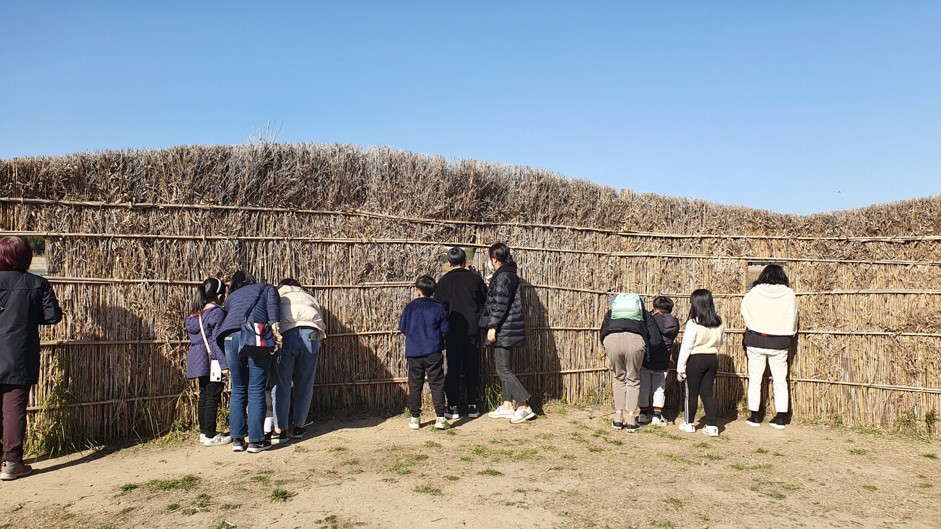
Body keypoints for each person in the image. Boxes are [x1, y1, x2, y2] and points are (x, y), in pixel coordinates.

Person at [0, 236, 62, 480]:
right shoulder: (37, 284)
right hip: (19, 352)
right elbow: (52, 317)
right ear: (25, 257)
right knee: (14, 409)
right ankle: (12, 462)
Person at [214, 270, 281, 453]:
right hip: (254, 337)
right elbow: (274, 316)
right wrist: (277, 334)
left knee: (238, 388)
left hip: (229, 338)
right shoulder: (267, 289)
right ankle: (256, 441)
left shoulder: (231, 297)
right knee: (256, 388)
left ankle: (237, 439)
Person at [479, 243, 534, 424]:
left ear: (494, 259)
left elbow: (499, 304)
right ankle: (507, 405)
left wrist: (492, 326)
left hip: (504, 328)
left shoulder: (503, 277)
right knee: (505, 368)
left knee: (503, 369)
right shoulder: (509, 274)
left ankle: (524, 405)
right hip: (508, 327)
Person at [741, 264, 798, 430]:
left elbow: (744, 310)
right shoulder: (788, 294)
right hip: (779, 342)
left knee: (755, 379)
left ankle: (755, 415)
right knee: (780, 380)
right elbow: (792, 316)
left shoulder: (755, 292)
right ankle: (781, 417)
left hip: (756, 340)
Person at [271, 278, 327, 442]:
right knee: (305, 382)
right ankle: (299, 427)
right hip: (311, 334)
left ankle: (280, 429)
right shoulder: (308, 296)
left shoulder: (278, 296)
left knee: (281, 383)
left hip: (286, 334)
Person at [433, 247, 487, 420]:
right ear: (465, 262)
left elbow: (439, 309)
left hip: (452, 332)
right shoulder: (475, 280)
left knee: (453, 369)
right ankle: (472, 405)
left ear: (449, 263)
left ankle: (453, 406)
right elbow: (484, 301)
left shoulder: (443, 282)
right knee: (472, 367)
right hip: (472, 330)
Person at [599, 293, 663, 432]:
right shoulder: (644, 314)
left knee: (618, 378)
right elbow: (655, 339)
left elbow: (603, 329)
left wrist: (607, 344)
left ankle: (618, 418)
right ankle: (631, 420)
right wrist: (647, 352)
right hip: (634, 341)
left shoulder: (612, 313)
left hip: (611, 339)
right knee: (633, 379)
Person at [399, 275, 450, 430]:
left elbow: (402, 327)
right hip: (433, 351)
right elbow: (446, 329)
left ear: (418, 292)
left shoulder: (410, 307)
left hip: (414, 352)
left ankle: (415, 418)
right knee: (436, 383)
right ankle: (440, 417)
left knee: (415, 385)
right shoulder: (439, 307)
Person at [185, 277, 231, 447]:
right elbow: (216, 341)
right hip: (212, 358)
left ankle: (204, 433)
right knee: (213, 395)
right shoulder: (216, 313)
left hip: (197, 356)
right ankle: (211, 435)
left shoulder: (194, 313)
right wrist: (224, 364)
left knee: (204, 394)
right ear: (219, 295)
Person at [676, 289, 726, 437]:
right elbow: (722, 340)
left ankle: (689, 423)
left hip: (696, 360)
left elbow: (687, 347)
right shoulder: (719, 321)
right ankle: (712, 426)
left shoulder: (693, 323)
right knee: (707, 393)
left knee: (692, 393)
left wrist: (680, 369)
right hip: (712, 359)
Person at [638, 296, 679, 426]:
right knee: (659, 388)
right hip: (663, 360)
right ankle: (657, 415)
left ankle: (643, 414)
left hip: (647, 359)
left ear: (656, 308)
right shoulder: (674, 322)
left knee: (644, 387)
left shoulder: (651, 320)